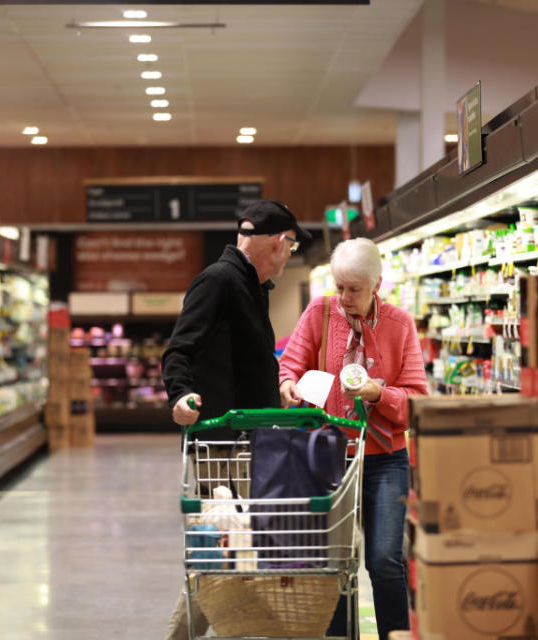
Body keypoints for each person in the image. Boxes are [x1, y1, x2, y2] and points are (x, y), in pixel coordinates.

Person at [161, 199, 311, 640]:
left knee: (231, 552)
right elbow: (179, 350)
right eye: (291, 246)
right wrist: (181, 395)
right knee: (226, 553)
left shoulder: (248, 285)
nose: (289, 254)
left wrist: (275, 393)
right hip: (222, 446)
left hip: (244, 442)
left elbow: (238, 363)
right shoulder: (220, 281)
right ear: (280, 243)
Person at [278, 237, 427, 640]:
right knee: (336, 559)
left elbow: (417, 401)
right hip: (329, 456)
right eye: (340, 286)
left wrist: (381, 395)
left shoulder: (399, 325)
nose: (344, 297)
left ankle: (395, 635)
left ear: (376, 285)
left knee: (384, 560)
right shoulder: (320, 313)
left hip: (385, 457)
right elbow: (290, 366)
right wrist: (289, 384)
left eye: (354, 289)